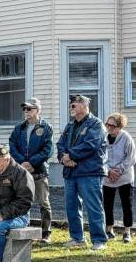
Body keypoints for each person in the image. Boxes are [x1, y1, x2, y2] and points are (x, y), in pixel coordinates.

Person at [56, 94, 108, 250]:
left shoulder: (96, 124)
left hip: (89, 172)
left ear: (85, 106)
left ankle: (99, 240)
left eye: (74, 105)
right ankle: (77, 238)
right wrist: (63, 157)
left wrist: (70, 155)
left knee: (93, 206)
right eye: (71, 104)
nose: (71, 107)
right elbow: (60, 144)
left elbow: (91, 145)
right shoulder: (70, 126)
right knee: (71, 206)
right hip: (71, 172)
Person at [8, 97, 54, 243]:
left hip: (39, 171)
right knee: (21, 200)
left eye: (29, 109)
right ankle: (22, 228)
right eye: (24, 109)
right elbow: (12, 146)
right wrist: (22, 162)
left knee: (43, 202)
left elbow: (48, 149)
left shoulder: (46, 127)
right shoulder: (19, 128)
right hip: (22, 171)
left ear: (37, 110)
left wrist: (32, 162)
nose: (26, 112)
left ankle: (45, 233)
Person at [102, 112, 135, 243]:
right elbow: (100, 156)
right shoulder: (104, 138)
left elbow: (131, 158)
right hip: (108, 177)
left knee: (127, 205)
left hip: (124, 177)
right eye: (107, 125)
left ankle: (127, 232)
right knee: (107, 205)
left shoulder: (126, 138)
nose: (109, 128)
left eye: (113, 126)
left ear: (120, 127)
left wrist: (118, 170)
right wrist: (109, 171)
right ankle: (109, 230)